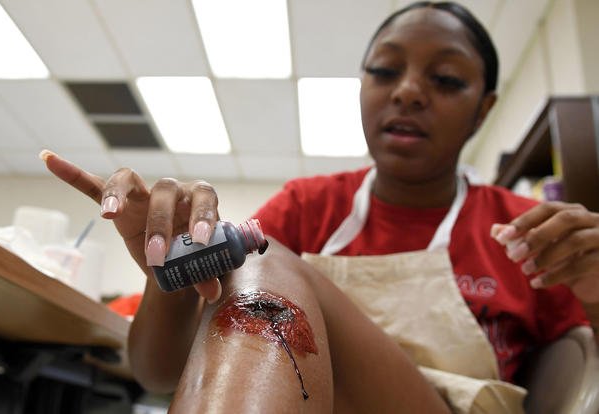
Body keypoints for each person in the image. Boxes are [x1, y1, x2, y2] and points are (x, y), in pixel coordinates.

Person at [41, 1, 599, 412]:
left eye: (446, 79)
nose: (407, 91)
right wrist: (168, 276)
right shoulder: (310, 205)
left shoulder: (527, 230)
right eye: (384, 71)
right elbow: (156, 372)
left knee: (258, 259)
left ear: (483, 111)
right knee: (249, 260)